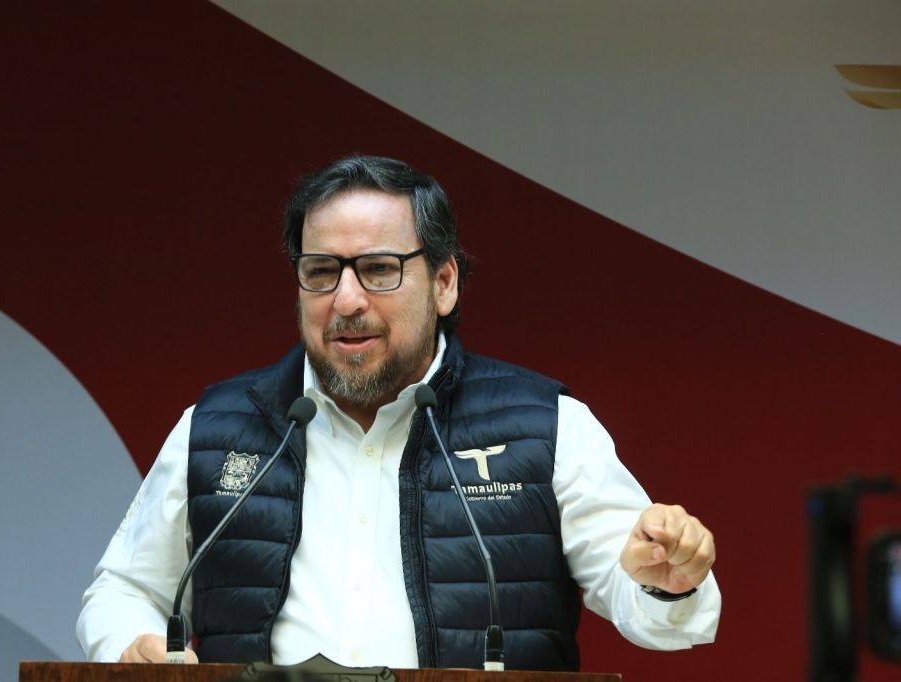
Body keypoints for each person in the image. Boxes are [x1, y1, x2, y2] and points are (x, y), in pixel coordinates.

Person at [76, 155, 720, 671]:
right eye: (321, 271)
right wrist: (132, 643)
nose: (346, 300)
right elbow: (123, 590)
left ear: (444, 283)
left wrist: (670, 580)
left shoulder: (546, 425)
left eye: (379, 269)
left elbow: (647, 603)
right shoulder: (217, 427)